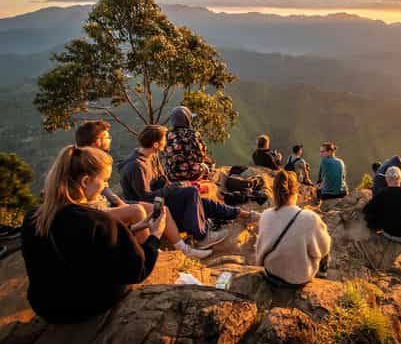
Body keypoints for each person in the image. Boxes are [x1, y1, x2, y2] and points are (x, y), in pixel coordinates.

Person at [20, 145, 165, 323]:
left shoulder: (34, 216)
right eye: (104, 180)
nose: (105, 186)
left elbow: (85, 246)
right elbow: (138, 271)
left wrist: (135, 227)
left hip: (46, 307)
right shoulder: (97, 221)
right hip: (85, 306)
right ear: (86, 182)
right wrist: (155, 236)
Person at [75, 120, 212, 259]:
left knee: (162, 209)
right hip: (94, 210)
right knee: (138, 211)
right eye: (106, 137)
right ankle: (147, 254)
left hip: (105, 204)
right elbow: (97, 196)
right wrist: (123, 205)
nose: (110, 139)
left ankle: (183, 249)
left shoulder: (94, 159)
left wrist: (120, 202)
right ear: (97, 142)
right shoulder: (85, 163)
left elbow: (105, 189)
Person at [119, 125, 251, 250]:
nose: (166, 142)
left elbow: (163, 179)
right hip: (152, 209)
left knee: (199, 200)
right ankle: (202, 236)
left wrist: (175, 186)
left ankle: (242, 214)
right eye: (163, 140)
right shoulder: (136, 166)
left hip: (162, 198)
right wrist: (173, 188)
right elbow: (145, 197)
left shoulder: (152, 156)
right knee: (191, 193)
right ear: (155, 144)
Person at [255, 169, 331, 288]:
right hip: (297, 280)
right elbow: (324, 248)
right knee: (324, 242)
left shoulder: (266, 214)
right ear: (296, 192)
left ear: (274, 192)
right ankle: (321, 275)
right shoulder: (310, 218)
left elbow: (260, 248)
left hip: (271, 274)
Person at [164, 106, 212, 181]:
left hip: (172, 176)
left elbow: (166, 155)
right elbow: (202, 156)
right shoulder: (194, 135)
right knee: (206, 167)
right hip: (192, 175)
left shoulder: (167, 135)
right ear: (187, 120)